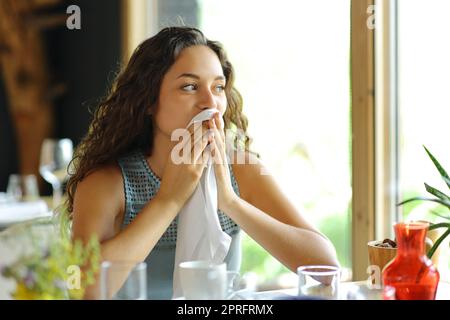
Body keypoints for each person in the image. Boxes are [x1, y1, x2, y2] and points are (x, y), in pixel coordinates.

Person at [68, 26, 339, 300]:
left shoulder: (241, 169)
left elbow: (326, 269)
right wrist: (168, 201)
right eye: (189, 86)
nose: (210, 102)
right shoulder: (108, 183)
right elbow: (83, 289)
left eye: (218, 87)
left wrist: (231, 202)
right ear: (149, 100)